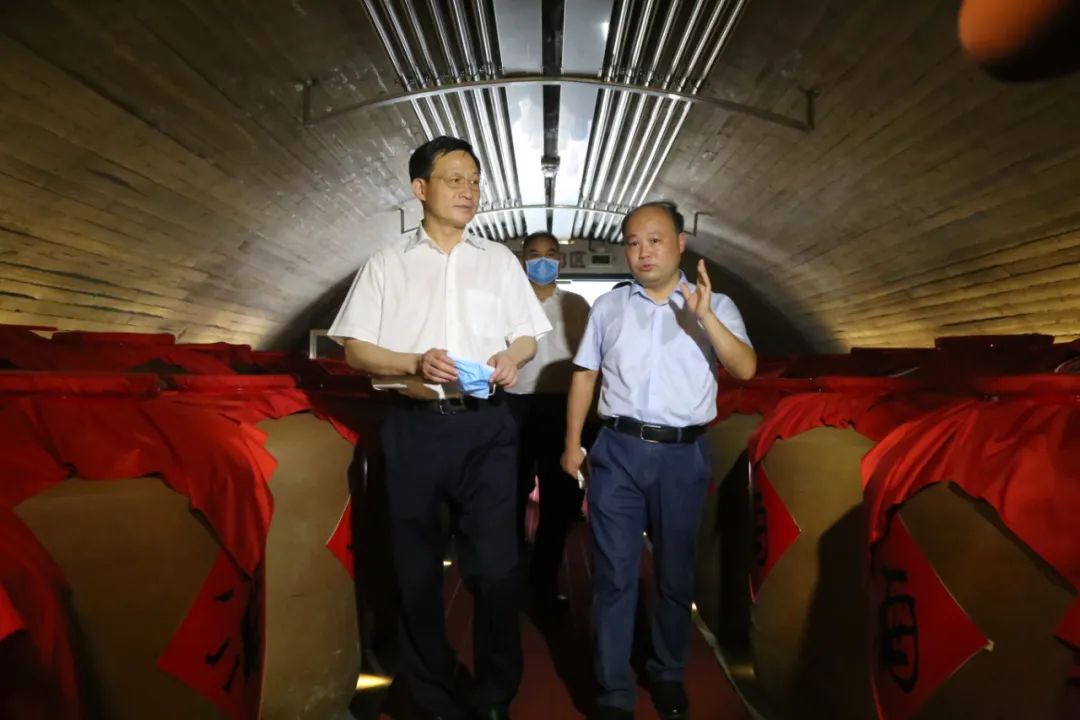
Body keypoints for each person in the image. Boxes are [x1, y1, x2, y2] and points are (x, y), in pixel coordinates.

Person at [328, 136, 551, 720]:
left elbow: (526, 335)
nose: (468, 190)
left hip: (487, 429)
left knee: (497, 569)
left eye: (474, 180)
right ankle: (431, 696)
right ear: (420, 188)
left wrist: (512, 357)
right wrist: (412, 363)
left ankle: (495, 694)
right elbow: (355, 350)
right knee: (416, 570)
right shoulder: (386, 264)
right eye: (455, 179)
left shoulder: (498, 261)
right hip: (415, 428)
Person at [560, 201, 756, 720]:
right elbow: (585, 374)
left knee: (674, 572)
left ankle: (667, 671)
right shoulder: (609, 308)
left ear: (680, 244)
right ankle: (612, 691)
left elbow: (745, 368)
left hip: (682, 454)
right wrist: (573, 442)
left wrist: (704, 316)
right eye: (633, 243)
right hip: (617, 451)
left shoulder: (717, 305)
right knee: (615, 574)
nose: (643, 252)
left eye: (655, 240)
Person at [505, 231, 592, 612]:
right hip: (514, 406)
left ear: (561, 260)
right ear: (522, 260)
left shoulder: (576, 305)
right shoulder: (507, 304)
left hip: (561, 407)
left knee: (559, 500)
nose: (543, 261)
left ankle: (544, 582)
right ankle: (508, 577)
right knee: (510, 493)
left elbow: (590, 362)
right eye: (534, 254)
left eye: (551, 254)